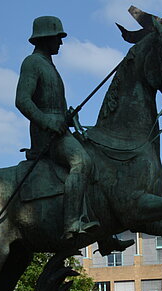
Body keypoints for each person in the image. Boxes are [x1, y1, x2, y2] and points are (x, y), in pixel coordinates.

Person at [16, 16, 132, 251]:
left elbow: (52, 103)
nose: (60, 42)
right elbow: (22, 100)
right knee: (81, 161)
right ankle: (72, 223)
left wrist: (66, 116)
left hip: (60, 130)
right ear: (46, 38)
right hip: (46, 136)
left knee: (98, 158)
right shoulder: (32, 63)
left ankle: (105, 236)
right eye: (57, 38)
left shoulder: (49, 65)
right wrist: (48, 121)